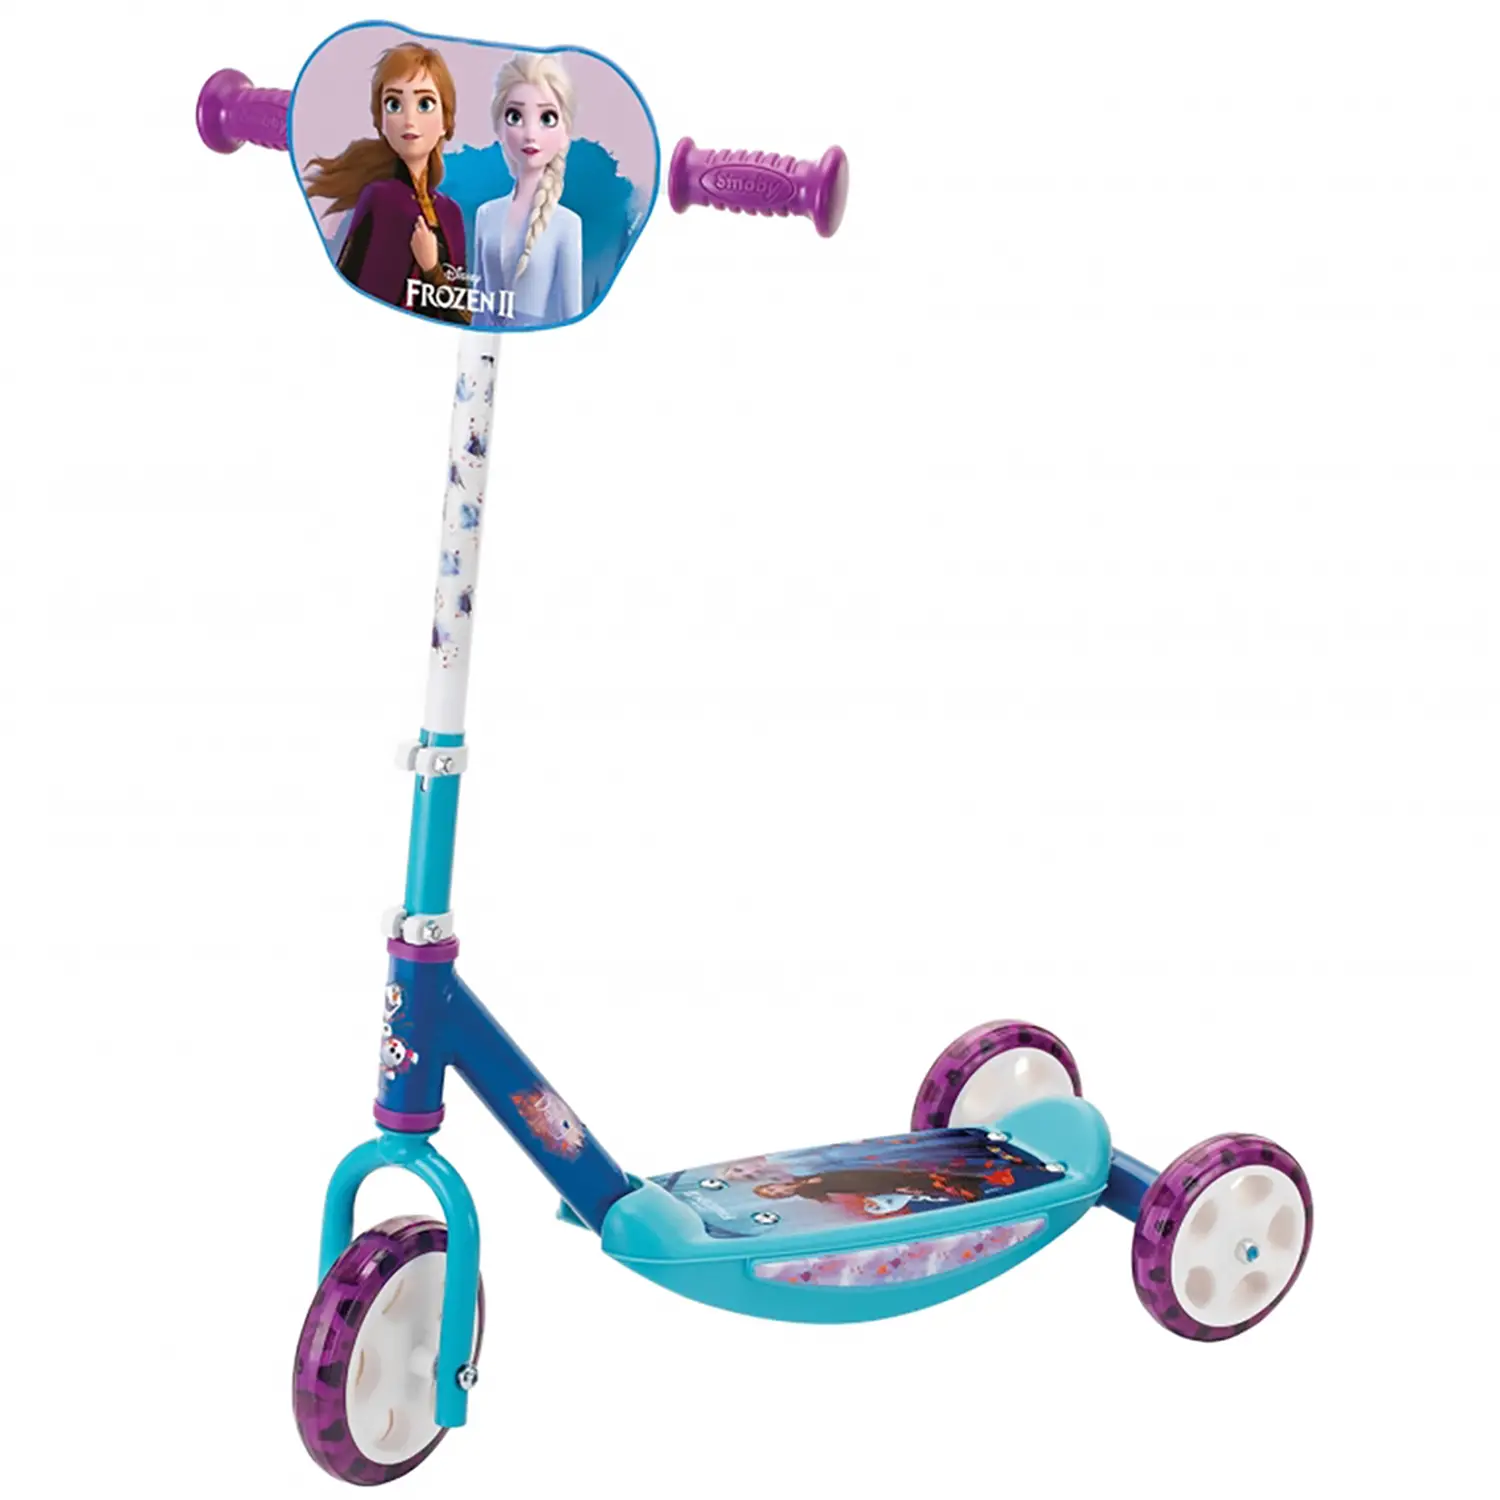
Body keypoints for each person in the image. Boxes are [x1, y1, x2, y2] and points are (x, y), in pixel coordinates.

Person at [303, 43, 470, 323]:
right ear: (381, 121)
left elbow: (464, 316)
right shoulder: (381, 199)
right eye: (394, 104)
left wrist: (432, 268)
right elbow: (351, 282)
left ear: (445, 121)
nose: (409, 120)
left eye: (425, 104)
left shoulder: (450, 213)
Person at [472, 53, 583, 327]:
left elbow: (572, 316)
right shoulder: (486, 214)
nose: (530, 134)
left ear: (565, 133)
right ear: (499, 128)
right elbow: (477, 307)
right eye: (515, 116)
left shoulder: (567, 224)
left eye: (547, 118)